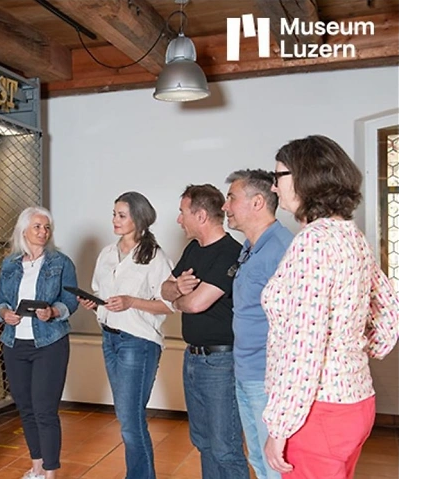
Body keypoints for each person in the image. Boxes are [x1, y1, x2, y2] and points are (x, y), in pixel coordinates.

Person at [262, 135, 399, 478]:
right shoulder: (350, 235)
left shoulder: (313, 242)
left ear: (305, 178)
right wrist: (348, 350)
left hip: (317, 411)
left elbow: (303, 347)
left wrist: (280, 426)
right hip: (355, 399)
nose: (274, 187)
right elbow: (388, 317)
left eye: (278, 176)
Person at [78, 192, 173, 479]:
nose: (115, 220)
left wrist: (132, 302)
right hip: (110, 339)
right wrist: (95, 303)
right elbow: (101, 294)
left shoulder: (155, 256)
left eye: (121, 215)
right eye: (114, 214)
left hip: (138, 342)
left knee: (131, 421)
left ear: (139, 218)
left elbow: (169, 305)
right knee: (126, 417)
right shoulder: (107, 253)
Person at [160, 184, 250, 479]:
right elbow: (164, 288)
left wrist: (178, 298)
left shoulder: (231, 253)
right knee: (203, 442)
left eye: (182, 212)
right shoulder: (193, 249)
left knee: (225, 447)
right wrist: (177, 289)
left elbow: (196, 303)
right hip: (194, 359)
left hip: (221, 363)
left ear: (200, 216)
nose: (179, 219)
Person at [0, 206, 79, 479]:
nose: (44, 232)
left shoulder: (61, 263)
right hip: (14, 344)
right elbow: (0, 301)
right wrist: (4, 314)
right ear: (24, 231)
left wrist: (53, 311)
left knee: (45, 410)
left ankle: (51, 473)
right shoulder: (10, 263)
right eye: (38, 227)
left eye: (47, 227)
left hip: (49, 344)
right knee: (26, 408)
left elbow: (71, 301)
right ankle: (37, 468)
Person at [222, 170, 294, 479]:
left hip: (268, 378)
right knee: (259, 461)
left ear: (257, 202)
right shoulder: (251, 247)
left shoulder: (283, 248)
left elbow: (295, 324)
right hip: (246, 372)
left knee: (274, 467)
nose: (225, 207)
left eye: (231, 198)